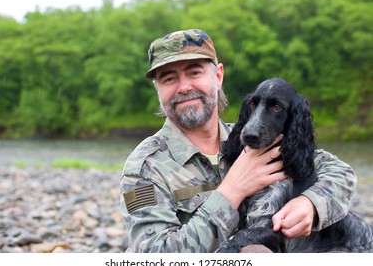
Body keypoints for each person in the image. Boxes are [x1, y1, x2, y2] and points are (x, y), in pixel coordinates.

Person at [119, 29, 356, 253]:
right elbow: (153, 257)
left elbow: (340, 171)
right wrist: (231, 192)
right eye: (169, 78)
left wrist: (310, 204)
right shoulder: (145, 168)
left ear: (218, 76)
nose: (184, 87)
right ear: (157, 89)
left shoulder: (255, 139)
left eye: (194, 72)